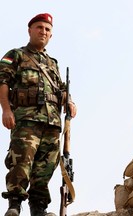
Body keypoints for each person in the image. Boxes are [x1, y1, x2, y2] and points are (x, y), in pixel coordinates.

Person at [0, 13, 77, 216]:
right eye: (39, 27)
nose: (43, 31)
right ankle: (14, 204)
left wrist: (69, 102)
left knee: (46, 166)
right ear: (30, 30)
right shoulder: (16, 55)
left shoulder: (53, 64)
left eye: (47, 29)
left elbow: (61, 91)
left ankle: (38, 208)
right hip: (26, 119)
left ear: (51, 35)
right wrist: (6, 109)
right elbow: (3, 82)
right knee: (21, 160)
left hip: (52, 123)